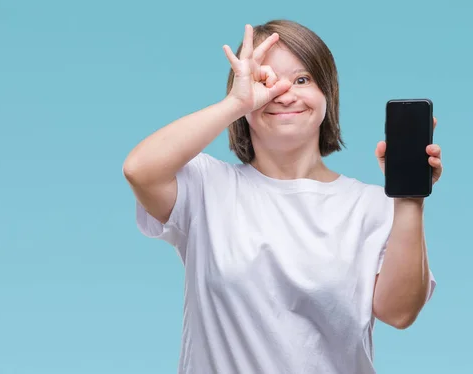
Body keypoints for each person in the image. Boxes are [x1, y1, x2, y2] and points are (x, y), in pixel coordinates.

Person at [122, 19, 442, 374]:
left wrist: (410, 200)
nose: (285, 93)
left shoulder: (372, 205)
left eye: (302, 79)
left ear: (327, 93)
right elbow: (140, 169)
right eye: (266, 80)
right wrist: (237, 102)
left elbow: (398, 312)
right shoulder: (206, 186)